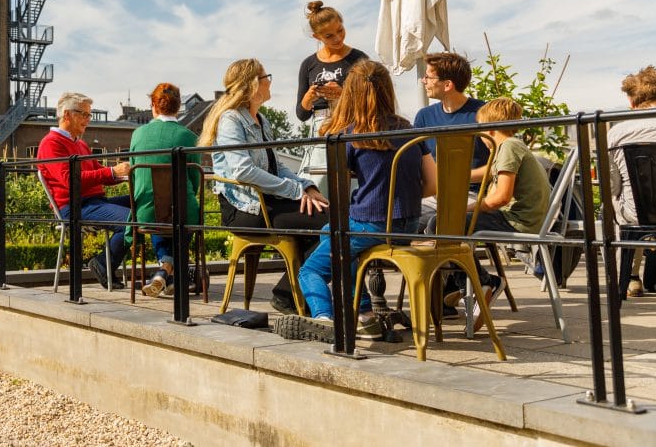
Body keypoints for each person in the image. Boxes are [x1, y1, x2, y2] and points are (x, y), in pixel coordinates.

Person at [276, 60, 436, 342]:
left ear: (351, 93)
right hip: (408, 226)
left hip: (369, 225)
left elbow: (337, 194)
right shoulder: (409, 130)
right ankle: (366, 316)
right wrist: (397, 198)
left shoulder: (349, 136)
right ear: (388, 90)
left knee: (311, 268)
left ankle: (325, 318)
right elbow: (433, 183)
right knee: (336, 238)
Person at [200, 58, 329, 314]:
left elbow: (275, 166)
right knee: (332, 225)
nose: (270, 81)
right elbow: (243, 170)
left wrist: (306, 186)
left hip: (265, 200)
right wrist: (294, 191)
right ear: (252, 84)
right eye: (265, 76)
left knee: (330, 218)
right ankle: (289, 294)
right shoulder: (231, 120)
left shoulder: (262, 120)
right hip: (245, 209)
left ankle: (290, 292)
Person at [445, 97, 551, 331]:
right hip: (528, 219)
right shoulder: (512, 145)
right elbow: (486, 171)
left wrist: (464, 208)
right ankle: (465, 284)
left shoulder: (508, 148)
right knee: (445, 224)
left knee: (442, 224)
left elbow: (499, 198)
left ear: (488, 130)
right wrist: (452, 175)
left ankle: (481, 283)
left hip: (518, 222)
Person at [38, 92, 132, 289]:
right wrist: (112, 172)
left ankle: (166, 270)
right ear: (67, 115)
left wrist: (125, 175)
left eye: (89, 115)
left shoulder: (80, 143)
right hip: (73, 206)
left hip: (95, 201)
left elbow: (99, 173)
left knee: (145, 204)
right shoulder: (51, 143)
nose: (87, 120)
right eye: (83, 114)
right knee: (132, 219)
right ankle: (102, 264)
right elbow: (69, 181)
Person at [127, 83, 202, 297]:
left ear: (153, 105)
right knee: (183, 215)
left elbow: (133, 171)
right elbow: (194, 180)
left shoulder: (138, 135)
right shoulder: (188, 136)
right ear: (178, 107)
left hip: (146, 212)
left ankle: (165, 272)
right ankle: (169, 273)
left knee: (157, 212)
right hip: (181, 211)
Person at [295, 1, 369, 192]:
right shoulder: (308, 64)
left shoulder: (359, 59)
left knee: (351, 186)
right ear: (316, 36)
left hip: (352, 126)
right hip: (320, 131)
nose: (337, 38)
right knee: (319, 186)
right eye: (329, 35)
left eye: (340, 30)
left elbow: (372, 100)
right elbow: (301, 114)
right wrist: (309, 98)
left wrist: (342, 95)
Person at [414, 52, 490, 231]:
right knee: (397, 219)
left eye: (428, 77)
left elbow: (502, 165)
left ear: (447, 84)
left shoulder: (484, 113)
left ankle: (449, 259)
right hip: (433, 194)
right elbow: (414, 159)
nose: (424, 81)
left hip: (472, 194)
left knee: (435, 223)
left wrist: (457, 177)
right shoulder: (424, 116)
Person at [607, 65, 656, 297]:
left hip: (636, 214)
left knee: (621, 202)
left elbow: (612, 185)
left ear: (631, 101)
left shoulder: (617, 132)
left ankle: (628, 278)